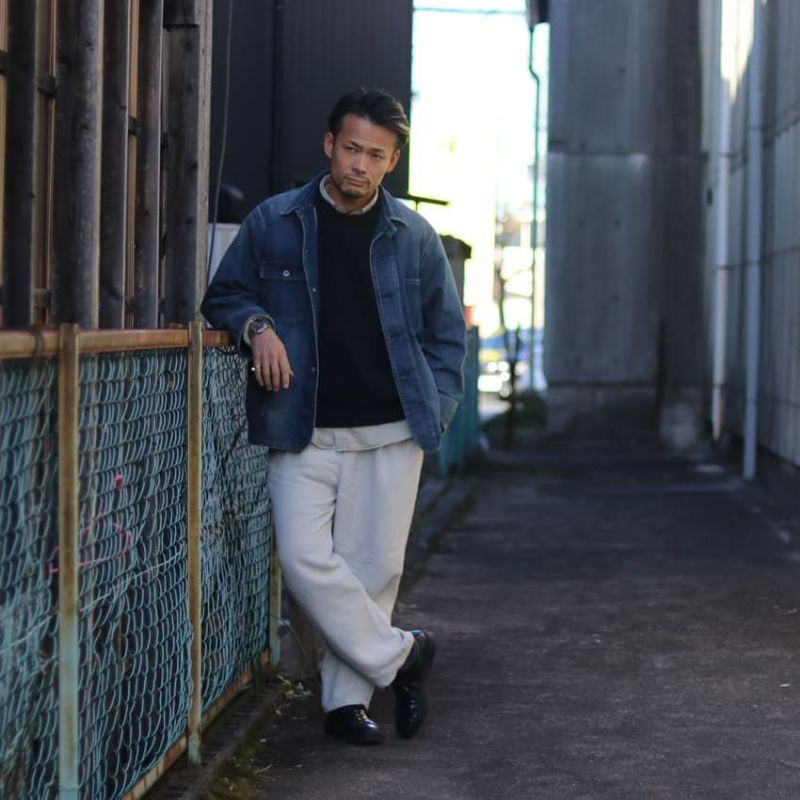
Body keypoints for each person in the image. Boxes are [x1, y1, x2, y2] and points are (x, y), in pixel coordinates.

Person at [201, 88, 465, 745]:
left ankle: (347, 705)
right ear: (329, 145)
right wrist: (258, 326)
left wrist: (435, 410)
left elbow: (445, 336)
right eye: (351, 148)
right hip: (302, 427)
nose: (359, 165)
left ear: (392, 162)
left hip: (392, 431)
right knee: (302, 560)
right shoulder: (275, 221)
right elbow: (225, 294)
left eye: (375, 155)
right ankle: (405, 657)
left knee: (373, 571)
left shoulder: (414, 236)